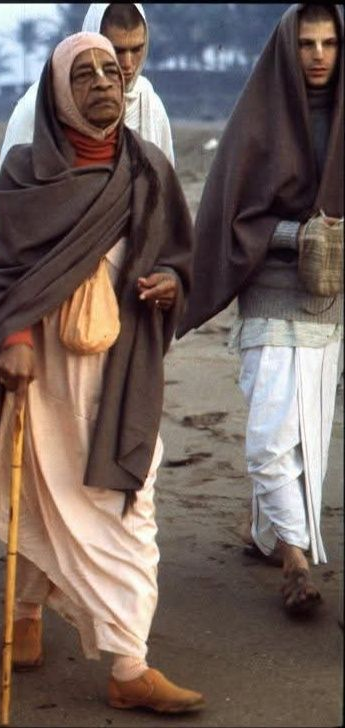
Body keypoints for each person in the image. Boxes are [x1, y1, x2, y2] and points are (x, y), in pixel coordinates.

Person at [0, 31, 204, 714]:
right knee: (43, 496)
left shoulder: (149, 168)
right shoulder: (25, 172)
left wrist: (171, 284)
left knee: (127, 504)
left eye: (110, 70)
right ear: (59, 93)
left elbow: (181, 256)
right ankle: (28, 615)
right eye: (84, 73)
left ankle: (128, 665)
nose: (102, 81)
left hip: (123, 373)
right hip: (44, 373)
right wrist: (12, 338)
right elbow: (4, 273)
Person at [177, 4, 343, 615]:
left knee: (307, 442)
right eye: (306, 43)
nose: (318, 55)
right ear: (286, 48)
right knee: (271, 438)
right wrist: (296, 236)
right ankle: (296, 562)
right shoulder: (258, 116)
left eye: (329, 43)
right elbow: (229, 213)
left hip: (328, 300)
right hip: (269, 290)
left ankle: (268, 533)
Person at [0, 3, 175, 167]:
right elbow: (14, 183)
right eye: (117, 50)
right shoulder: (41, 105)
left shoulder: (150, 105)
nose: (128, 64)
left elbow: (165, 181)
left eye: (136, 49)